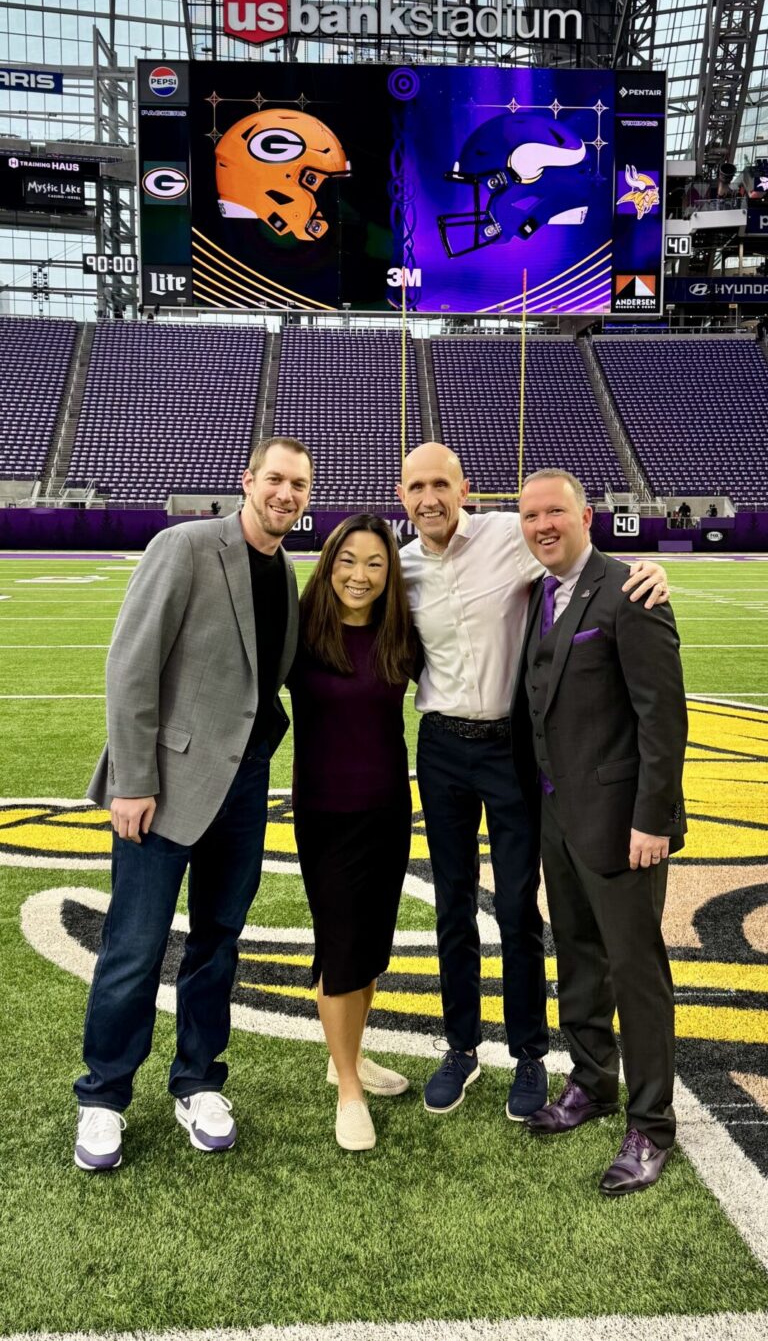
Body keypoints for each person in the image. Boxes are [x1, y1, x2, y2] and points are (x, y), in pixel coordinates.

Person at [395, 443, 671, 1122]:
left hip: (510, 750)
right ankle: (461, 1047)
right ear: (402, 496)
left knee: (518, 909)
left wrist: (652, 572)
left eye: (441, 484)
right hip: (440, 749)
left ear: (467, 490)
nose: (429, 497)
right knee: (451, 907)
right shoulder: (397, 567)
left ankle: (528, 1054)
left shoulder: (510, 535)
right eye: (415, 486)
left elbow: (587, 567)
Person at [73, 437, 313, 1171]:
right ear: (248, 481)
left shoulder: (285, 568)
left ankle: (199, 1082)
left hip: (242, 787)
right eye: (275, 478)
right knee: (134, 945)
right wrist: (133, 780)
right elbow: (131, 662)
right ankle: (104, 1097)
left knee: (217, 943)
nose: (286, 494)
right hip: (165, 785)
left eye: (299, 485)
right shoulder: (184, 545)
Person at [513, 469, 686, 1196]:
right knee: (579, 955)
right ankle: (593, 1082)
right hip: (559, 816)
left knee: (635, 968)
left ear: (586, 514)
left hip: (621, 824)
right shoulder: (537, 595)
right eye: (530, 515)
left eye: (555, 511)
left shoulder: (629, 591)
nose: (543, 525)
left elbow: (662, 715)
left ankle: (651, 1124)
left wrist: (654, 817)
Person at [289, 515, 416, 1152]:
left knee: (370, 949)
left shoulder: (401, 634)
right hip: (324, 813)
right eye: (348, 561)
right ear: (328, 561)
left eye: (374, 563)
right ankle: (347, 1089)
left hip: (389, 810)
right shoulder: (302, 628)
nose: (359, 576)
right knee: (340, 951)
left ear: (390, 572)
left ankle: (354, 1056)